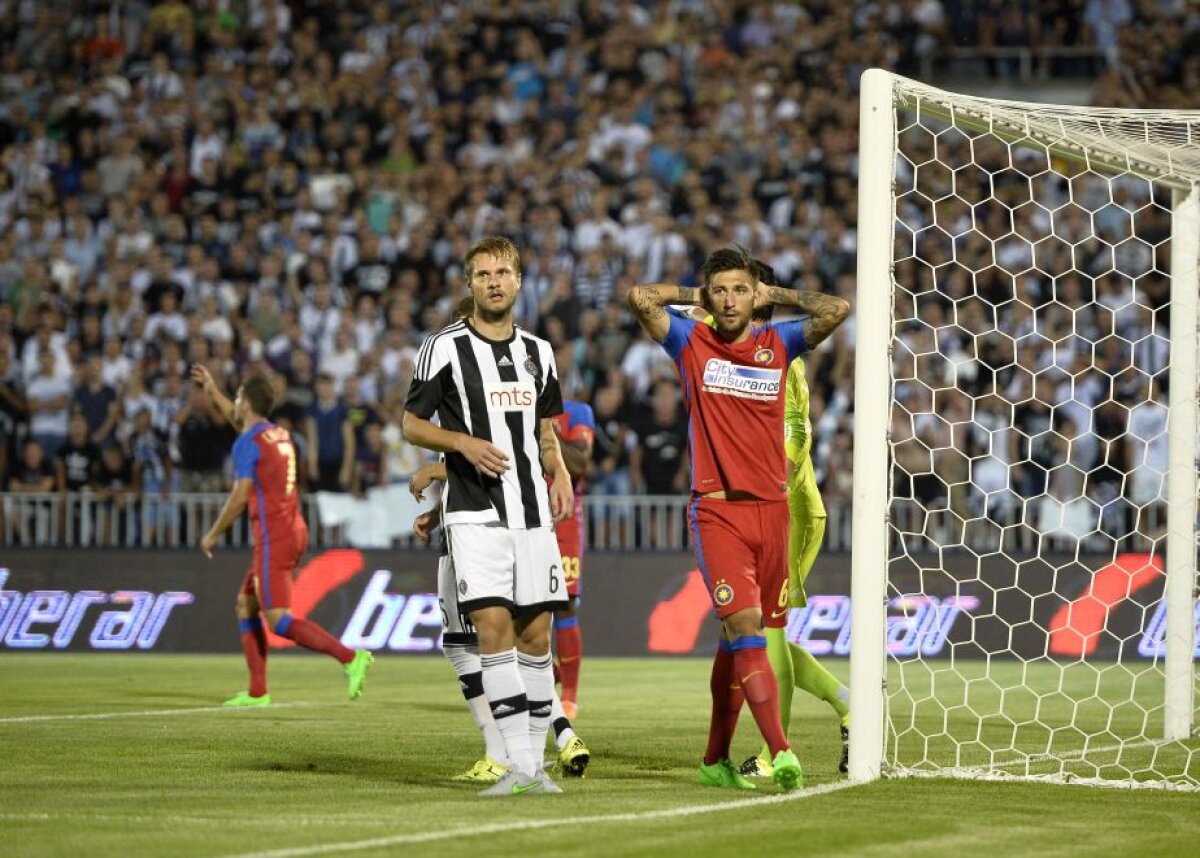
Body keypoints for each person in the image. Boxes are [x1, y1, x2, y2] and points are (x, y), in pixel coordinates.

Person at [627, 244, 849, 792]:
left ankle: (714, 760)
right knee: (746, 627)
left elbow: (836, 309)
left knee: (741, 638)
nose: (729, 301)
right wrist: (695, 295)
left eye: (740, 290)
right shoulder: (691, 341)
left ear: (756, 297)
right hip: (719, 511)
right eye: (720, 291)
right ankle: (781, 750)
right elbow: (641, 297)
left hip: (774, 513)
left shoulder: (780, 344)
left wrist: (778, 293)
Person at [402, 236, 574, 797]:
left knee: (537, 637)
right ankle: (518, 765)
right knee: (493, 630)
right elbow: (411, 423)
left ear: (518, 280)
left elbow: (544, 429)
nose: (494, 282)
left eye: (502, 272)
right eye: (483, 274)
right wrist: (461, 443)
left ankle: (536, 768)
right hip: (474, 513)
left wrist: (559, 470)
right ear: (470, 284)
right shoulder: (443, 347)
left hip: (532, 513)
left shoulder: (539, 352)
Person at [191, 364, 373, 706]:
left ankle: (350, 658)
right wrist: (213, 390)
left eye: (238, 398)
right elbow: (238, 420)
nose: (235, 404)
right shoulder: (278, 434)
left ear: (246, 404)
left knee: (277, 620)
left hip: (275, 536)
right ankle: (257, 692)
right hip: (292, 528)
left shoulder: (247, 443)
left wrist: (213, 533)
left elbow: (240, 496)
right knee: (246, 604)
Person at [738, 261, 852, 779]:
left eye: (740, 292)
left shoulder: (780, 356)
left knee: (768, 633)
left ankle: (774, 754)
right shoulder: (736, 347)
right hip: (762, 508)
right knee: (758, 634)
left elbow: (797, 432)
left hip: (789, 509)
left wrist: (772, 486)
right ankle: (848, 704)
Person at [409, 479, 590, 783]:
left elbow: (475, 462)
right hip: (516, 526)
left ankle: (499, 756)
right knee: (517, 648)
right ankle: (564, 735)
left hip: (471, 531)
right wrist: (438, 511)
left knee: (464, 646)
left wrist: (432, 468)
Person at [549, 398, 595, 719]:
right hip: (524, 516)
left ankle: (569, 697)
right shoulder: (514, 403)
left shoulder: (576, 412)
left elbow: (579, 464)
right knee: (519, 607)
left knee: (564, 603)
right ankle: (548, 671)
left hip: (563, 517)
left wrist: (548, 437)